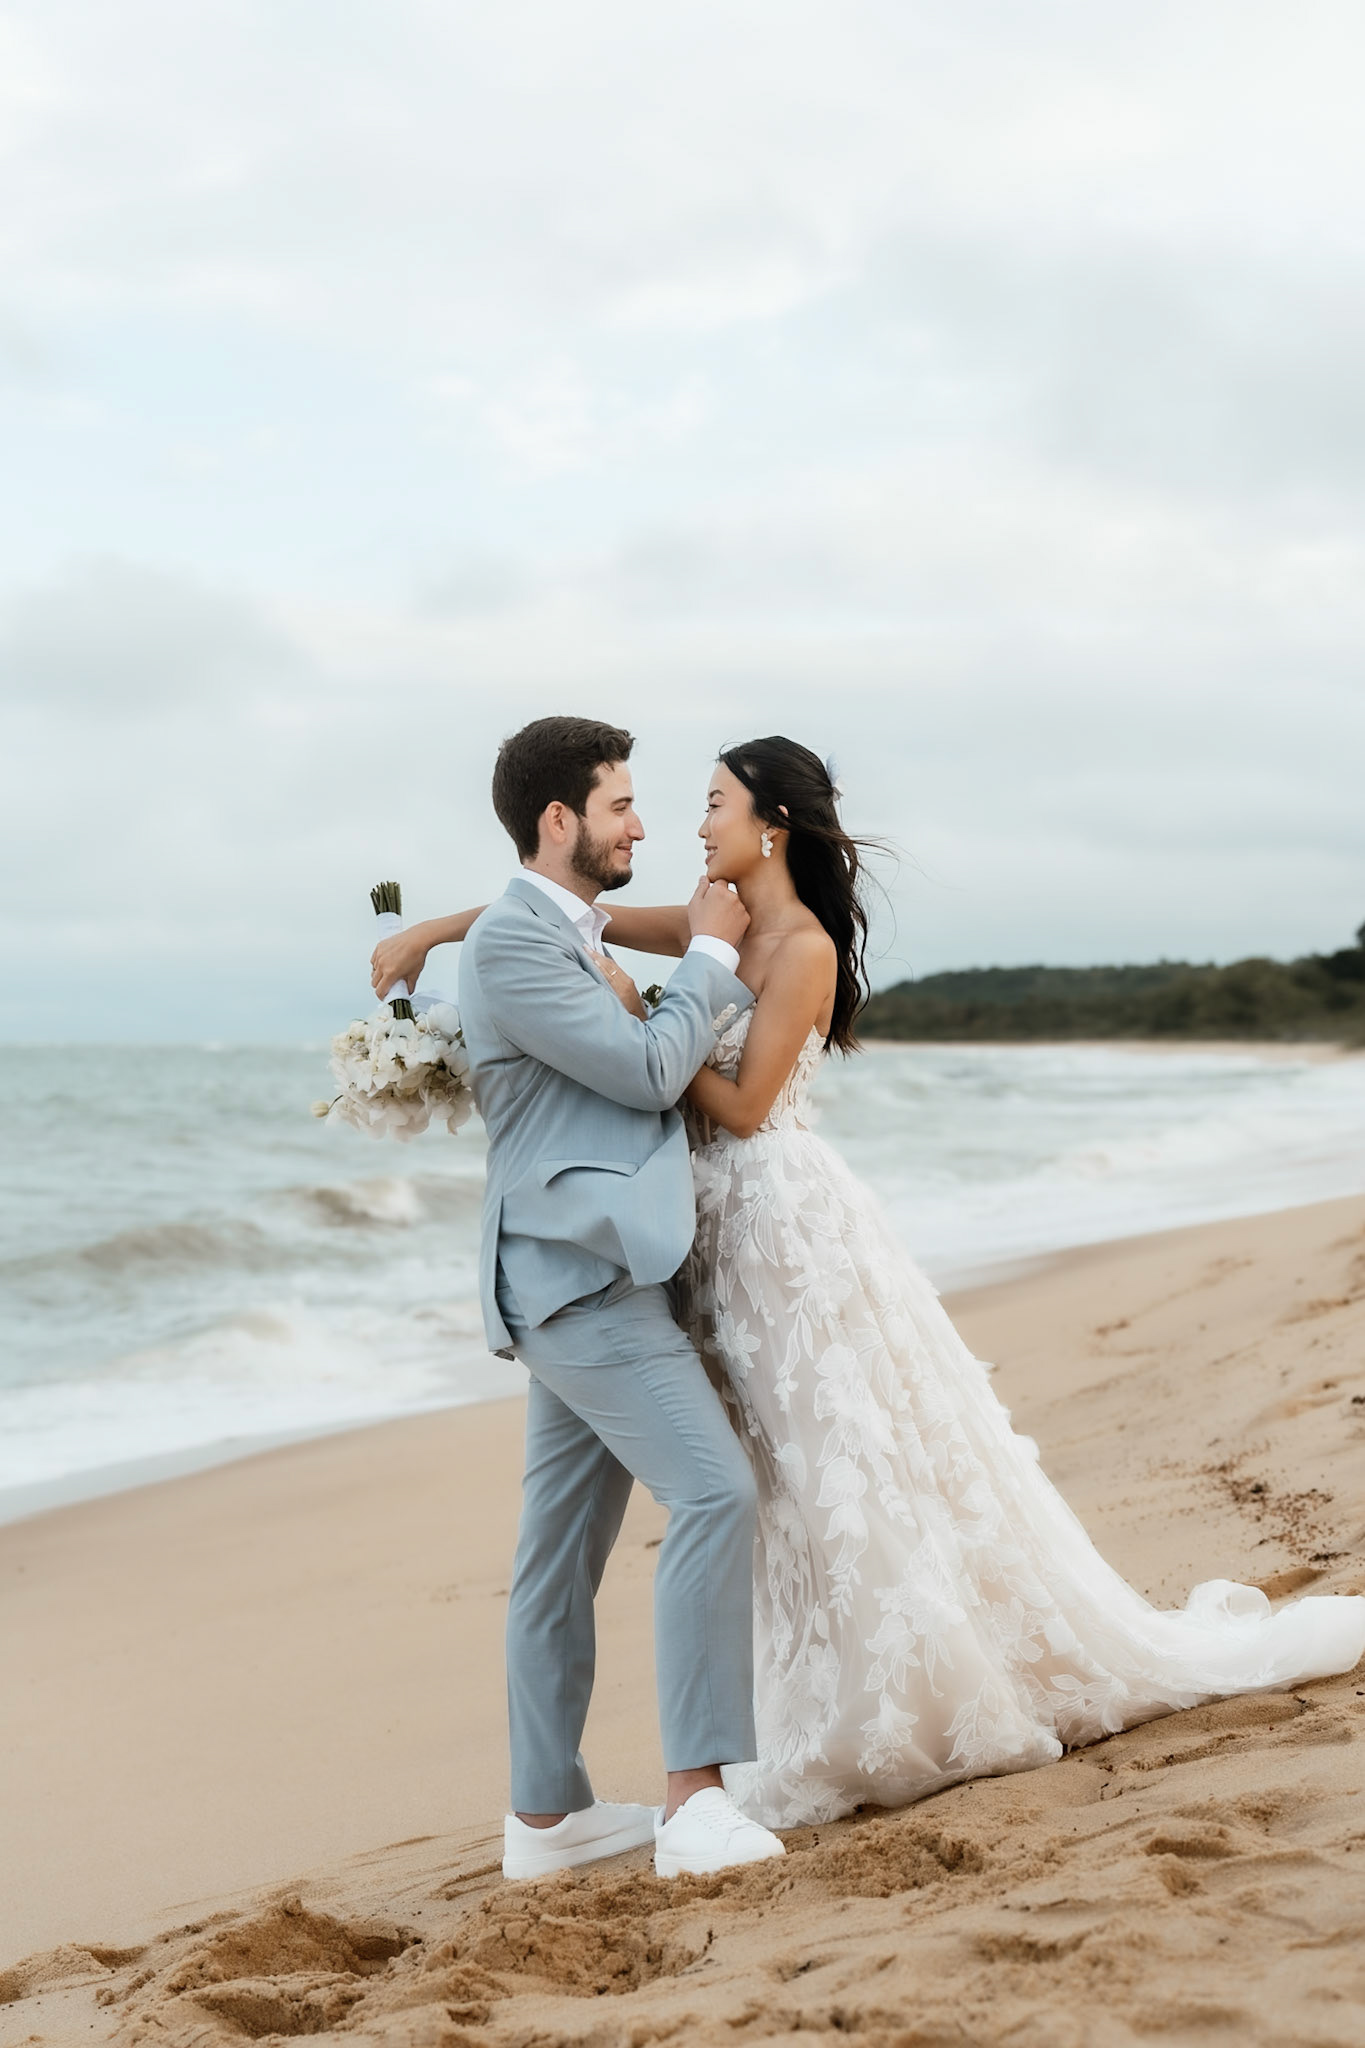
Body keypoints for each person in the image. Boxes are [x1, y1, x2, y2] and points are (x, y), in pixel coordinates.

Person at [378, 733, 1365, 1833]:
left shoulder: (791, 943)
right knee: (782, 1478)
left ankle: (783, 1742)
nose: (686, 825)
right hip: (687, 1244)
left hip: (773, 1220)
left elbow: (741, 1102)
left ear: (772, 824)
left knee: (826, 1458)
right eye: (662, 802)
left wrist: (644, 1012)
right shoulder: (716, 915)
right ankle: (578, 1805)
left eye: (711, 803)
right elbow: (565, 919)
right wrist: (435, 928)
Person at [449, 715, 785, 1882]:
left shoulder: (567, 935)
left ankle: (545, 1817)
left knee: (558, 1554)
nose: (643, 823)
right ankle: (696, 1799)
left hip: (593, 1274)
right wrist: (706, 958)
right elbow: (649, 1070)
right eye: (622, 803)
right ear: (560, 819)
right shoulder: (510, 946)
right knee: (714, 1492)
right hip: (578, 1286)